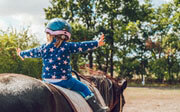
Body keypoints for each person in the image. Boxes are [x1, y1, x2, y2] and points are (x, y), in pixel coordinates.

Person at [17, 18, 108, 112]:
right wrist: (97, 43)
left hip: (47, 80)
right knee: (84, 88)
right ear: (66, 35)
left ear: (49, 34)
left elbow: (32, 52)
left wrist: (22, 54)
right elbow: (81, 46)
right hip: (64, 81)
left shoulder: (43, 48)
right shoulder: (67, 46)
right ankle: (98, 109)